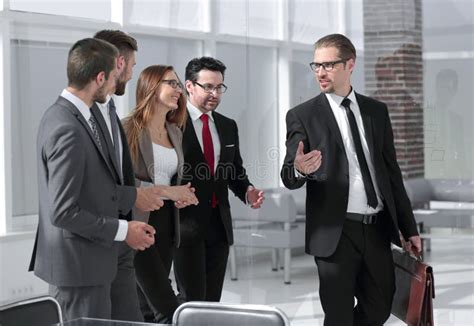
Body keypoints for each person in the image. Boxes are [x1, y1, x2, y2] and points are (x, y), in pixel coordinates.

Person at [280, 34, 422, 326]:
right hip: (335, 232)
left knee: (380, 308)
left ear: (350, 64)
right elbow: (288, 175)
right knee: (338, 313)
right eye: (316, 65)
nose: (320, 72)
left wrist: (409, 228)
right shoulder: (302, 115)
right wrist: (300, 169)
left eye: (329, 65)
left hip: (377, 229)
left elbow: (392, 174)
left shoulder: (376, 111)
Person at [29, 38, 166, 321]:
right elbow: (63, 212)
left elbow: (95, 186)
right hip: (79, 267)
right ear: (99, 77)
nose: (117, 84)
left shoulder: (73, 118)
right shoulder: (67, 127)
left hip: (94, 260)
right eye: (114, 78)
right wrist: (122, 230)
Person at [173, 56, 265, 303]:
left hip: (219, 227)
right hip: (185, 225)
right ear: (189, 86)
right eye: (208, 87)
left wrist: (247, 191)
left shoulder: (227, 125)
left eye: (219, 87)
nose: (215, 93)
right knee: (191, 299)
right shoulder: (172, 124)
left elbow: (234, 170)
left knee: (212, 299)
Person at [123, 65, 198, 323]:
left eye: (179, 85)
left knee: (146, 306)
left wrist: (181, 193)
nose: (179, 90)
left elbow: (169, 178)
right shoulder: (127, 129)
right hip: (140, 221)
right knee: (166, 306)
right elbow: (121, 184)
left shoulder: (174, 131)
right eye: (172, 84)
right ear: (151, 87)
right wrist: (168, 190)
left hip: (167, 223)